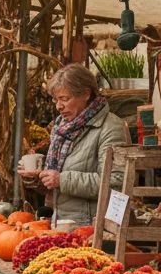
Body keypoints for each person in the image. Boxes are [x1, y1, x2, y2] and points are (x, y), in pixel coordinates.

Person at [20, 63, 127, 226]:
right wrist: (38, 177)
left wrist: (62, 180)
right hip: (62, 223)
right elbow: (56, 185)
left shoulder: (110, 127)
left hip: (91, 227)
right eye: (56, 100)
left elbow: (116, 182)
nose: (59, 106)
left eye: (65, 99)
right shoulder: (61, 128)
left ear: (85, 94)